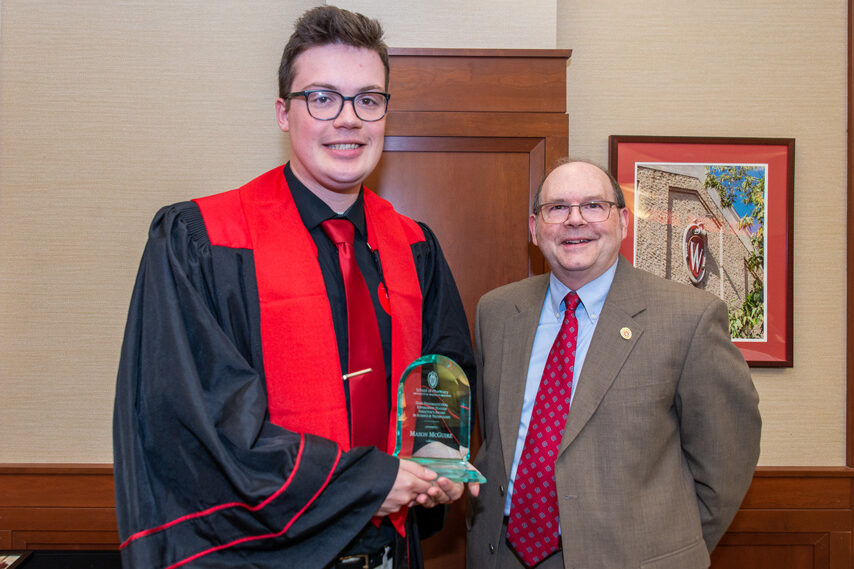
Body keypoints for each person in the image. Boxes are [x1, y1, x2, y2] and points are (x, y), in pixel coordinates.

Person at [113, 6, 477, 569]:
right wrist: (367, 482)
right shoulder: (201, 242)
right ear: (284, 113)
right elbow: (200, 424)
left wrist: (438, 467)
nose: (348, 119)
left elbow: (443, 372)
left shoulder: (414, 248)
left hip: (390, 555)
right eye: (322, 97)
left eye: (368, 99)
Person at [466, 160, 761, 569]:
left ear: (622, 221)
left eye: (593, 205)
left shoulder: (689, 317)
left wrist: (669, 551)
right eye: (557, 208)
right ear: (534, 229)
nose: (575, 220)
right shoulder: (496, 312)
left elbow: (725, 466)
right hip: (503, 555)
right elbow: (493, 441)